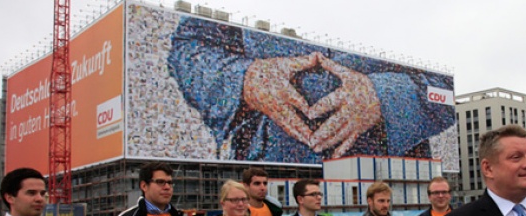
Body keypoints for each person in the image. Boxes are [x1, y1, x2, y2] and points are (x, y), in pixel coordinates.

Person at [167, 17, 455, 164]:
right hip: (270, 171)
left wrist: (383, 96)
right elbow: (189, 47)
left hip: (391, 175)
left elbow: (446, 87)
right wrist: (248, 79)